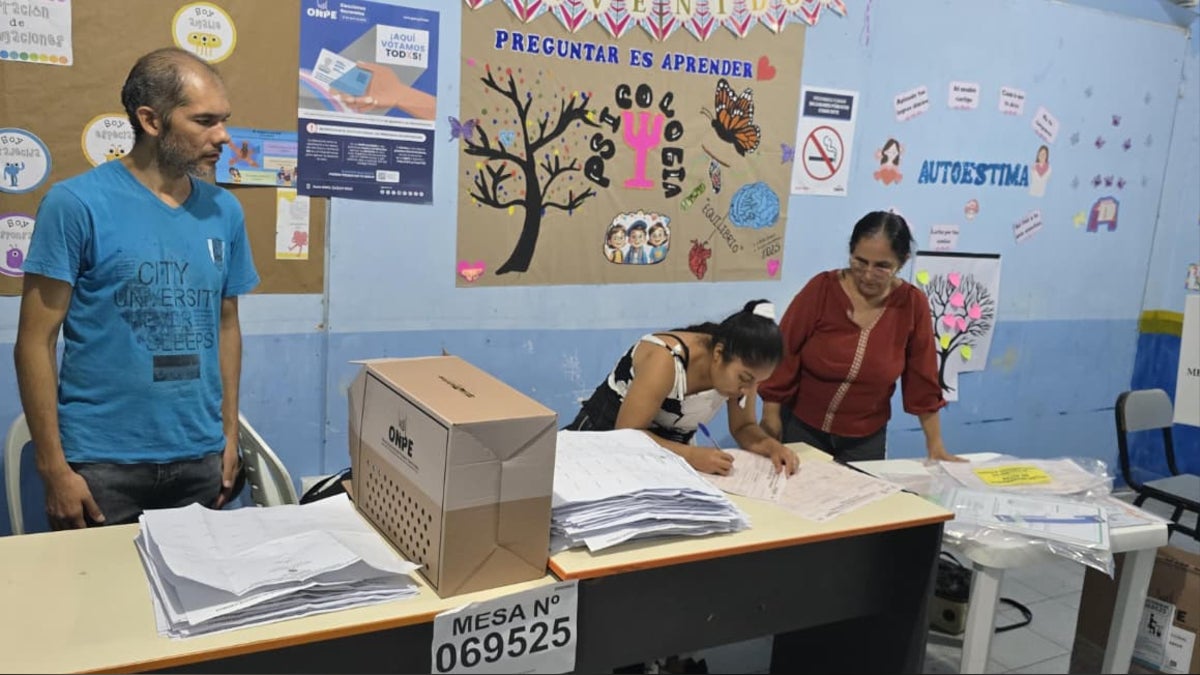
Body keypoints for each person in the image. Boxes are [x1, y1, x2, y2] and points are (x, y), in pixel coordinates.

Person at [14, 47, 260, 529]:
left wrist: (229, 437)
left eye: (224, 120)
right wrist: (53, 468)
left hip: (200, 457)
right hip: (102, 465)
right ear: (151, 120)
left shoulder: (224, 211)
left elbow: (227, 325)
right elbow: (34, 342)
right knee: (95, 582)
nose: (223, 136)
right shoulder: (75, 204)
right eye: (204, 121)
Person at [758, 211, 961, 463]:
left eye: (882, 267)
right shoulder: (822, 289)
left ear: (902, 262)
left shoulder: (911, 304)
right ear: (850, 252)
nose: (867, 275)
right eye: (860, 262)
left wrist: (935, 445)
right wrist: (770, 415)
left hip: (865, 439)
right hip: (803, 428)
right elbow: (785, 352)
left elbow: (923, 377)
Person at [564, 300, 799, 475]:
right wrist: (691, 455)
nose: (748, 390)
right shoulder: (665, 360)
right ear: (718, 354)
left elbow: (743, 426)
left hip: (665, 457)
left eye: (757, 382)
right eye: (745, 379)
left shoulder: (741, 375)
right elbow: (627, 434)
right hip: (601, 443)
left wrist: (771, 447)